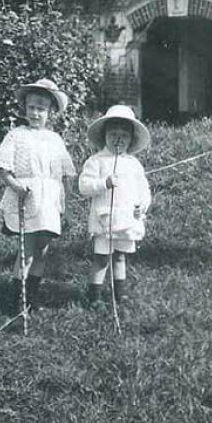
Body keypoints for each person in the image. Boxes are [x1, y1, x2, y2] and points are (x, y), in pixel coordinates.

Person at [0, 77, 75, 312]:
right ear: (25, 109)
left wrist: (66, 209)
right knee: (26, 252)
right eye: (32, 108)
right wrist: (16, 185)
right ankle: (18, 301)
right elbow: (2, 167)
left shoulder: (55, 139)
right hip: (27, 199)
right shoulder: (16, 135)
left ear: (50, 112)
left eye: (41, 109)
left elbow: (66, 175)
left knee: (42, 250)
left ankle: (33, 298)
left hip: (50, 201)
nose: (36, 113)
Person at [79, 104, 152, 306]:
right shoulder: (96, 161)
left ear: (131, 139)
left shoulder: (133, 164)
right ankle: (94, 295)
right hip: (105, 220)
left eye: (123, 135)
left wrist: (142, 206)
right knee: (102, 258)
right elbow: (84, 186)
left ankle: (119, 294)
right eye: (113, 134)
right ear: (104, 136)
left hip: (127, 219)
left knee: (120, 257)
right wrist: (104, 183)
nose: (118, 139)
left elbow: (144, 189)